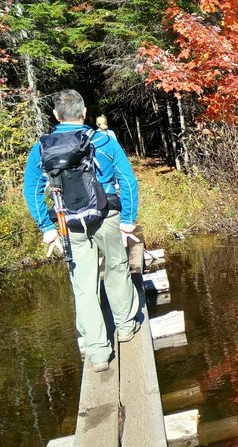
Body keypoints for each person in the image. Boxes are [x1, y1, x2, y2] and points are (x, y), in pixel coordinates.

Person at [23, 90, 141, 373]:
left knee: (83, 287)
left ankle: (99, 353)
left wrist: (48, 228)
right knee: (116, 268)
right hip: (106, 216)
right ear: (84, 113)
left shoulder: (42, 147)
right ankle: (125, 327)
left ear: (55, 116)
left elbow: (32, 189)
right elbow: (127, 180)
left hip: (69, 223)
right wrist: (127, 220)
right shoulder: (103, 140)